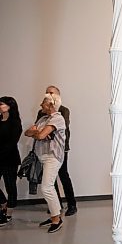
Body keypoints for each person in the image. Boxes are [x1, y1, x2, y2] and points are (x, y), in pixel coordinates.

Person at [25, 93, 66, 233]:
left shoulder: (58, 119)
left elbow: (40, 135)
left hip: (53, 157)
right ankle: (56, 215)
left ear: (51, 105)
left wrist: (37, 132)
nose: (40, 105)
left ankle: (56, 219)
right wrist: (36, 132)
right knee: (49, 187)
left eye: (43, 102)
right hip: (42, 157)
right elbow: (27, 133)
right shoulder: (43, 118)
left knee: (47, 188)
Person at [37, 85, 77, 216]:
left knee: (64, 176)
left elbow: (61, 127)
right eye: (47, 92)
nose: (48, 95)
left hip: (61, 149)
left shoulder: (64, 110)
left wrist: (44, 132)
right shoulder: (41, 112)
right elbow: (36, 128)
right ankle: (56, 205)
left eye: (51, 93)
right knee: (50, 180)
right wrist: (41, 132)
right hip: (46, 150)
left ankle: (72, 205)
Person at [0, 97, 22, 226]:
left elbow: (12, 143)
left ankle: (8, 214)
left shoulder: (15, 122)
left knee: (10, 187)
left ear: (9, 106)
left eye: (1, 104)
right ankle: (3, 204)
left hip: (10, 159)